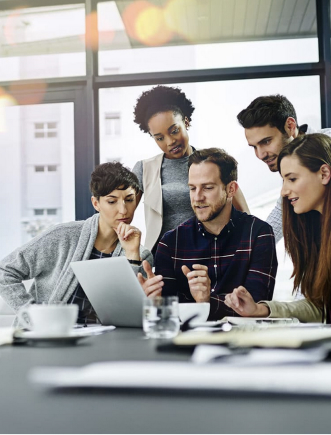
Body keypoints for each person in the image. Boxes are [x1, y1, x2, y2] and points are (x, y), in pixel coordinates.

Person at [0, 162, 153, 324]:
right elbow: (5, 272)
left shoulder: (142, 255)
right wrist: (33, 317)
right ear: (96, 203)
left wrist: (131, 255)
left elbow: (129, 315)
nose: (123, 210)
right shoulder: (61, 237)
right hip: (51, 337)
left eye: (129, 200)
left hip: (103, 343)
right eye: (112, 201)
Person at [138, 148, 277, 321]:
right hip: (184, 344)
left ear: (231, 189)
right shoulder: (170, 243)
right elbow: (170, 312)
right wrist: (155, 301)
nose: (197, 197)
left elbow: (255, 307)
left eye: (208, 188)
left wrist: (205, 302)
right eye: (192, 188)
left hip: (242, 342)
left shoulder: (259, 234)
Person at [224, 133, 331, 323]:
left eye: (292, 179)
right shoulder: (314, 234)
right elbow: (318, 307)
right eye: (283, 180)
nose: (283, 191)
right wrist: (261, 309)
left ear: (324, 174)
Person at [133, 85, 250, 253]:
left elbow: (244, 215)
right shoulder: (145, 169)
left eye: (174, 131)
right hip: (163, 260)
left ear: (186, 122)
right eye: (159, 138)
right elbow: (119, 215)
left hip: (209, 257)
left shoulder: (213, 163)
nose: (169, 141)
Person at [237, 94, 331, 243]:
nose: (260, 155)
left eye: (266, 141)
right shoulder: (291, 160)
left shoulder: (327, 146)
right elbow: (279, 216)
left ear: (290, 127)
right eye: (254, 147)